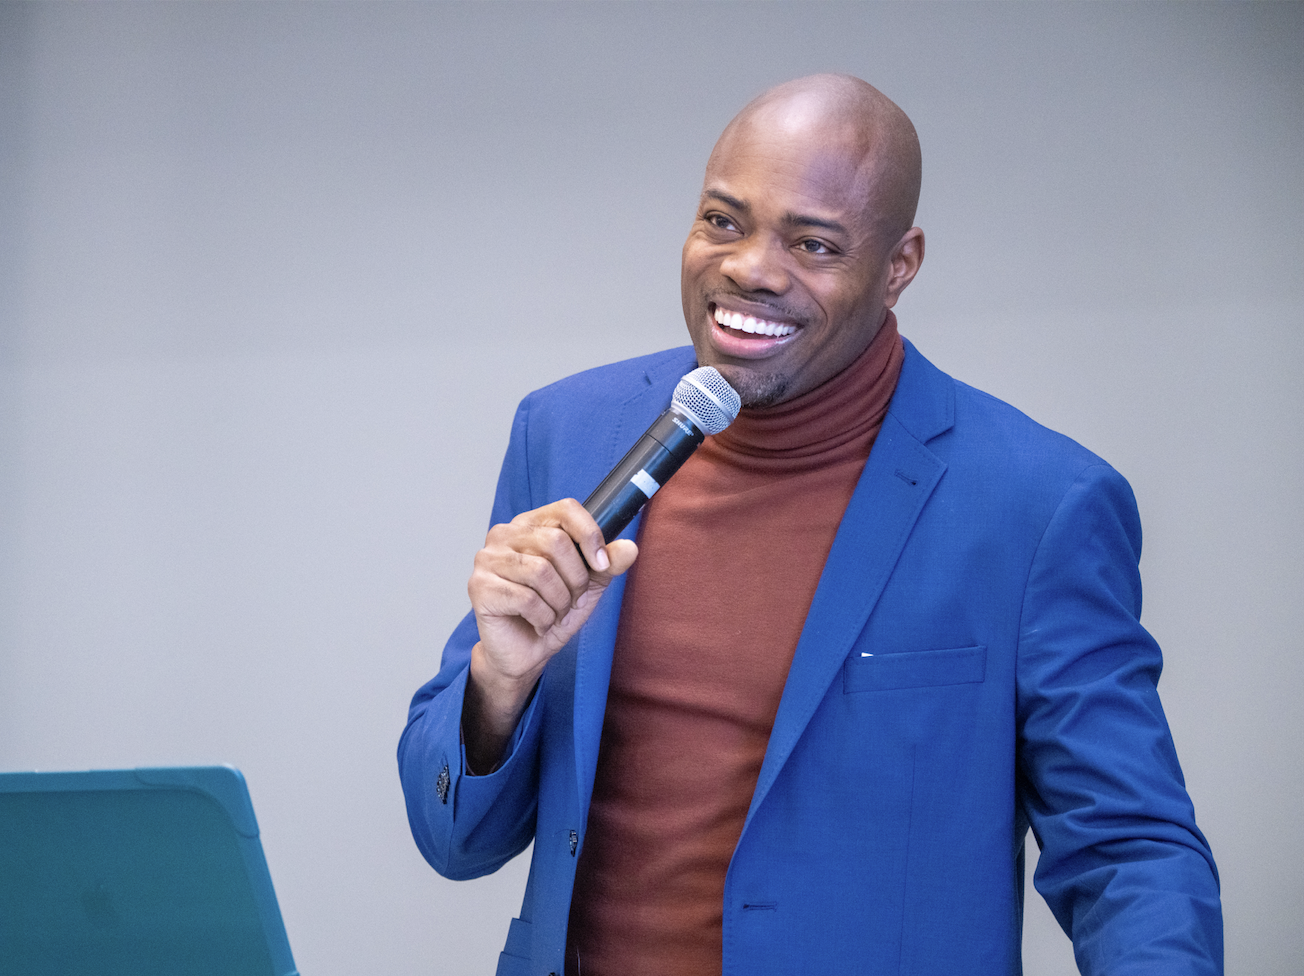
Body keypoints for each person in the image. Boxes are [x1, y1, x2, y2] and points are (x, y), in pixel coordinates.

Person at [398, 74, 1223, 976]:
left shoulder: (1037, 503)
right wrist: (498, 684)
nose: (750, 267)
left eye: (814, 243)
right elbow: (455, 841)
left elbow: (1128, 851)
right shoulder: (566, 432)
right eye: (722, 221)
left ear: (898, 266)